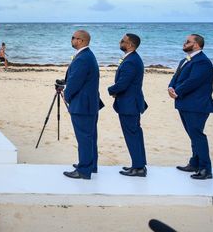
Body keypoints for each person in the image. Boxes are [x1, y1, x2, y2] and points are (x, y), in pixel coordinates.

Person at [168, 34, 213, 180]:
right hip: (185, 103)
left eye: (188, 42)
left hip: (197, 105)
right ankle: (195, 163)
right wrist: (170, 87)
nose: (184, 43)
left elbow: (193, 81)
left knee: (197, 136)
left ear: (196, 45)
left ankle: (206, 169)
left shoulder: (202, 62)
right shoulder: (185, 59)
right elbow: (176, 77)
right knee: (193, 136)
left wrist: (177, 91)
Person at [62, 30, 102, 180]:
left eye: (74, 38)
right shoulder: (87, 55)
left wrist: (66, 95)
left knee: (84, 137)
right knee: (90, 136)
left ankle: (84, 170)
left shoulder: (83, 58)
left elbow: (74, 81)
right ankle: (91, 165)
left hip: (82, 104)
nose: (71, 40)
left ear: (81, 41)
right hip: (89, 103)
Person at [107, 33, 148, 177]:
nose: (120, 42)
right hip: (130, 102)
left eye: (123, 40)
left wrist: (111, 90)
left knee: (132, 135)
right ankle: (139, 165)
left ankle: (138, 167)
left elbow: (123, 83)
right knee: (135, 134)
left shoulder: (131, 61)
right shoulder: (132, 58)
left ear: (130, 45)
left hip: (129, 104)